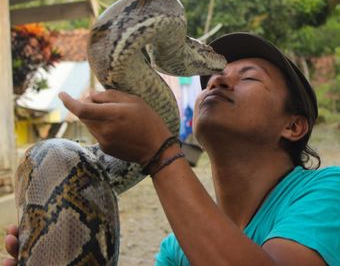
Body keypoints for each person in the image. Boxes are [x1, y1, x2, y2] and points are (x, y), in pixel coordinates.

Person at [4, 32, 340, 265]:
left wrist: (160, 154)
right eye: (211, 79)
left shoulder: (329, 191)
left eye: (249, 77)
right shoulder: (177, 248)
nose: (217, 81)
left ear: (293, 126)